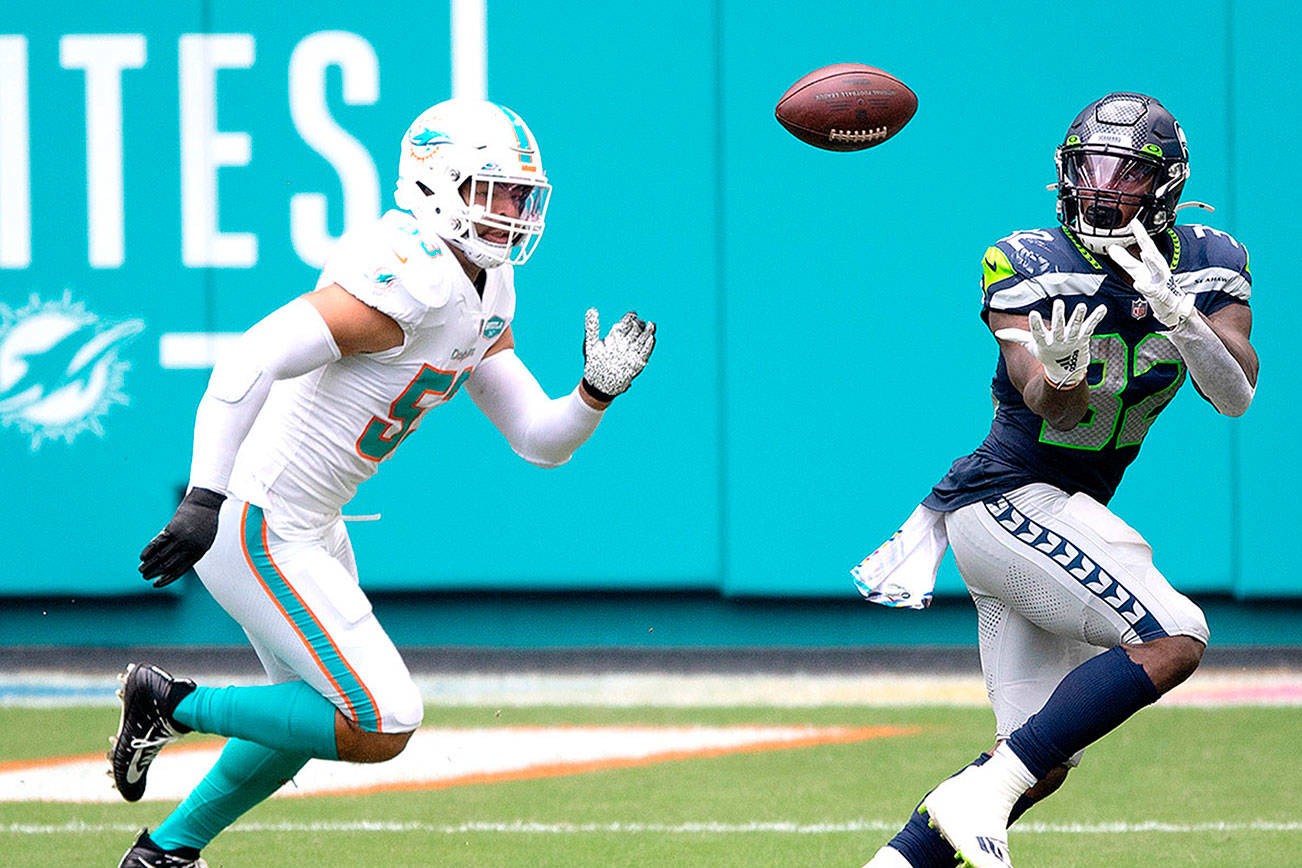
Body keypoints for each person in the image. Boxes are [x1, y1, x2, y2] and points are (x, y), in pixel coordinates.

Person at [110, 98, 656, 868]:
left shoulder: (488, 286)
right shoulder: (410, 278)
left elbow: (538, 439)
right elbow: (250, 356)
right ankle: (168, 704)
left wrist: (593, 395)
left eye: (518, 195)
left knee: (311, 712)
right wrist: (204, 495)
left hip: (312, 523)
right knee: (381, 719)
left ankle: (166, 853)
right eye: (494, 191)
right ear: (437, 185)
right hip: (258, 520)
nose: (511, 211)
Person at [855, 92, 1257, 868]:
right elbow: (1050, 403)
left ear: (1167, 184)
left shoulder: (1212, 261)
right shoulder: (1030, 261)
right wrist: (1065, 372)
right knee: (1176, 635)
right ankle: (975, 801)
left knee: (1039, 758)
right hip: (1005, 501)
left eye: (1127, 172)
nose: (1102, 187)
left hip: (1050, 518)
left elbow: (1235, 395)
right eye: (1089, 167)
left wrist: (1179, 313)